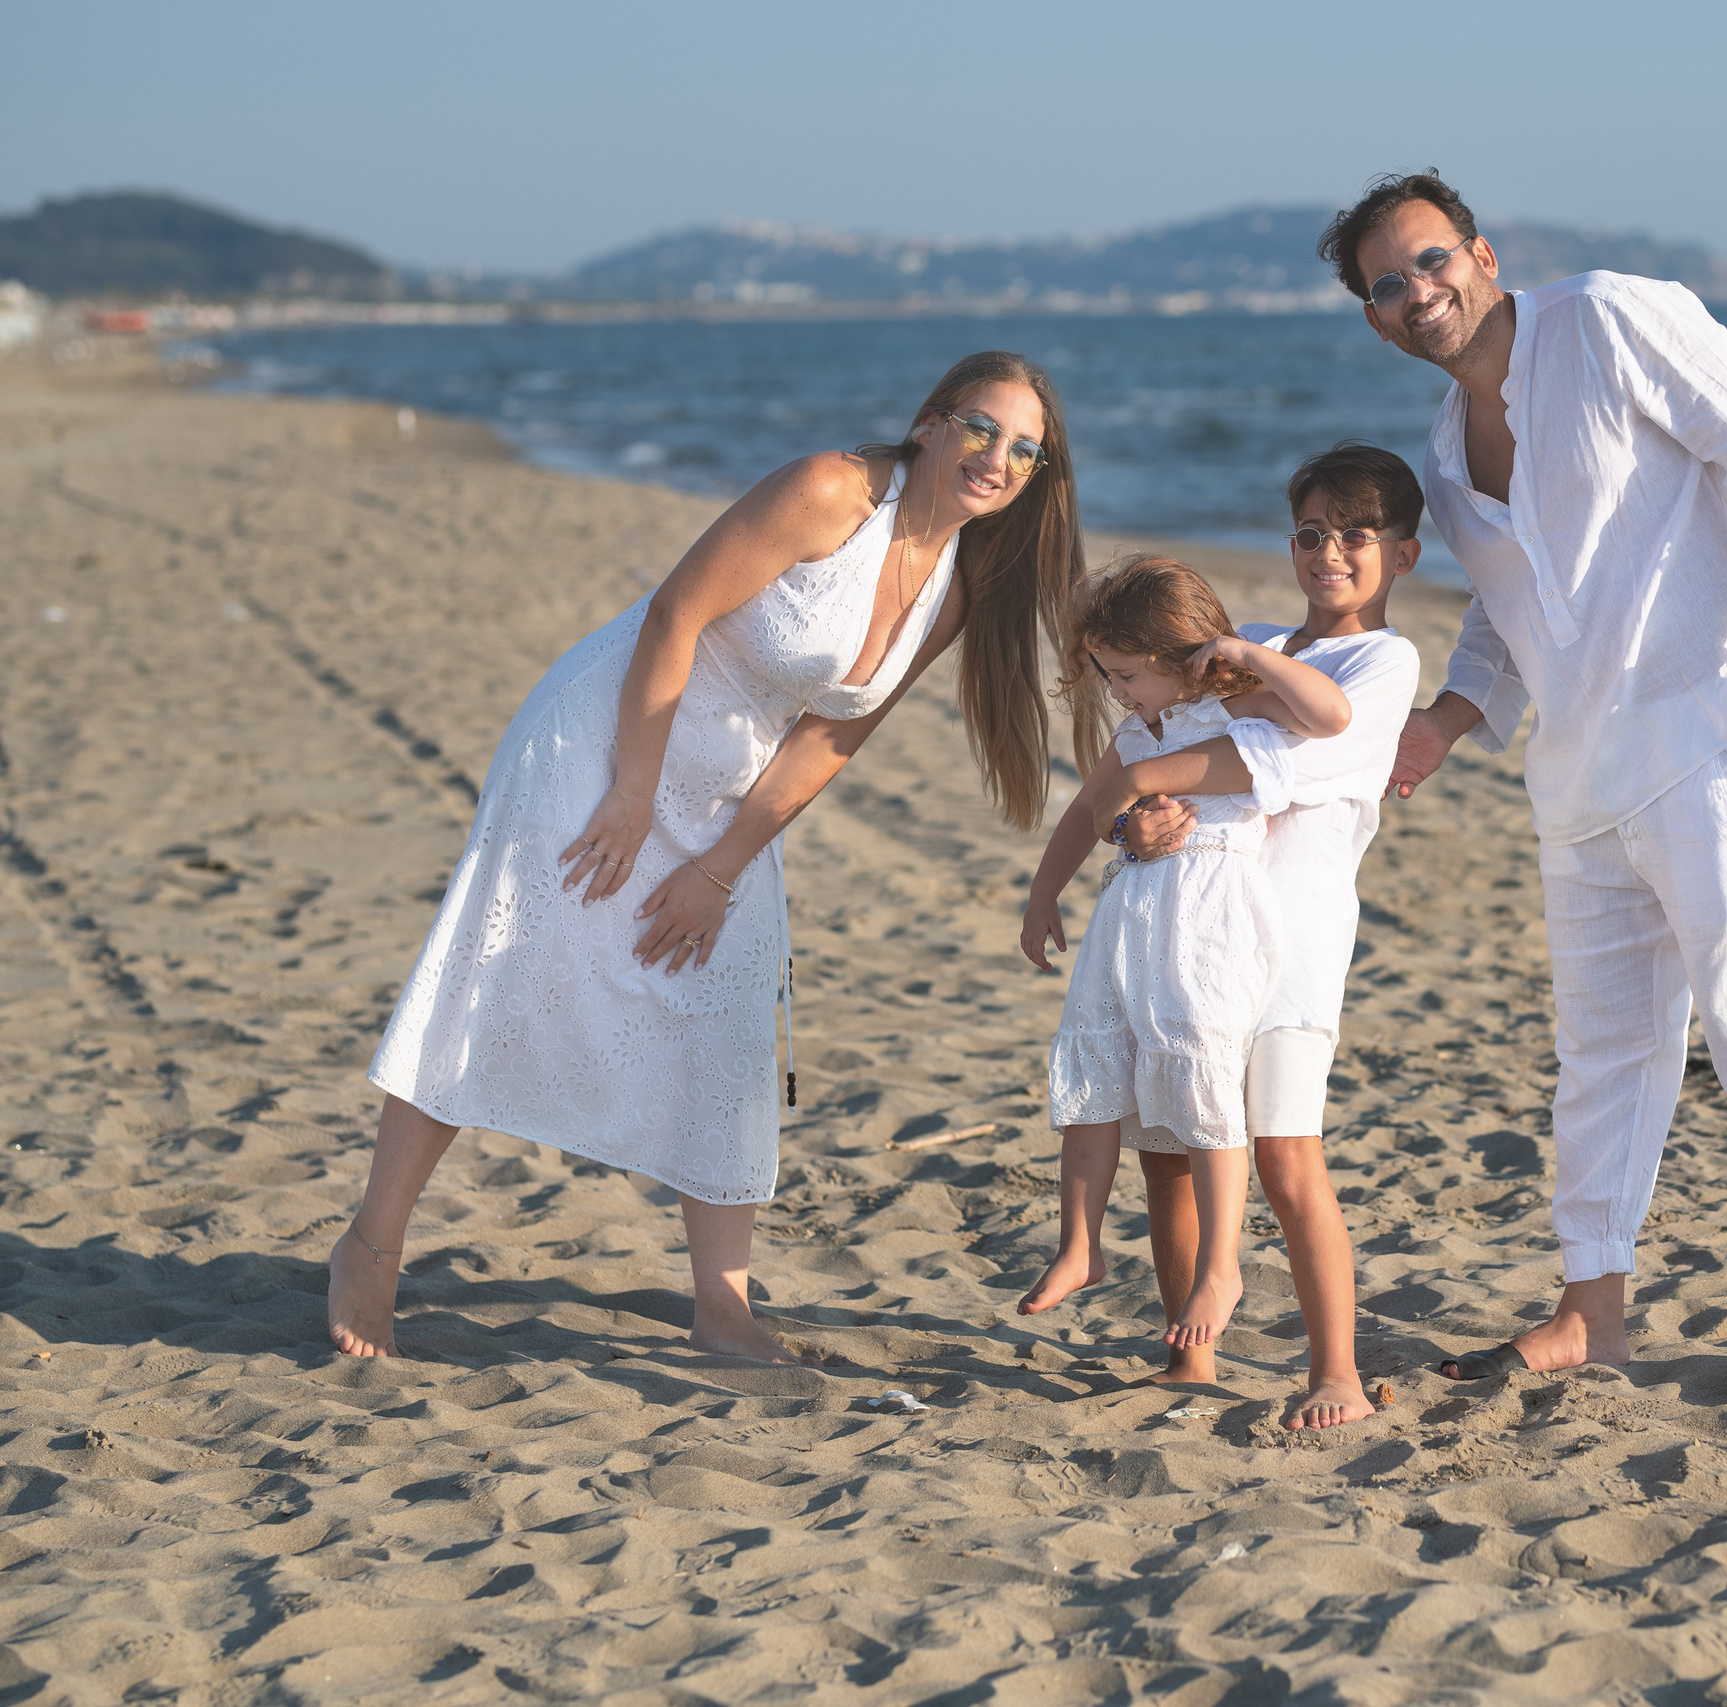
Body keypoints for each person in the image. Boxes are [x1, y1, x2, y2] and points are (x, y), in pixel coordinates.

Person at [331, 351, 1101, 1364]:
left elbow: (833, 734)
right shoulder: (830, 491)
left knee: (729, 1018)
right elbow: (675, 613)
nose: (995, 457)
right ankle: (372, 1245)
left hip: (725, 794)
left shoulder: (951, 591)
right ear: (928, 422)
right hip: (608, 746)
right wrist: (633, 798)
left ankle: (721, 1306)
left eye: (1023, 449)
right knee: (503, 972)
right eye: (979, 427)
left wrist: (722, 864)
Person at [1324, 171, 1727, 1406]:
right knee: (1603, 1055)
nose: (1418, 292)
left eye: (1428, 261)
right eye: (1388, 285)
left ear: (1482, 253)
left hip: (1717, 732)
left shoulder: (1614, 318)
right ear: (1373, 318)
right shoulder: (1442, 458)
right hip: (1575, 780)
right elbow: (1510, 613)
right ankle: (1590, 1313)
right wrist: (1449, 721)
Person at [1094, 443, 1423, 1431]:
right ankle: (1186, 1357)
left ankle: (1337, 1373)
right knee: (1174, 1147)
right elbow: (1159, 748)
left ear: (1401, 555)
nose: (1331, 553)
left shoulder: (1381, 661)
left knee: (1285, 1157)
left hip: (1296, 947)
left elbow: (1251, 767)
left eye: (1356, 537)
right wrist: (1125, 826)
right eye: (1313, 534)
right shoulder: (1260, 646)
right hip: (1196, 936)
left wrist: (1238, 681)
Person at [1017, 556, 1354, 1360]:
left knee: (1203, 1080)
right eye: (1108, 676)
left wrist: (1252, 654)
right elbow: (1082, 814)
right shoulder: (1138, 730)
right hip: (1131, 914)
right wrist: (1042, 893)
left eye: (1129, 674)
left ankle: (1221, 1266)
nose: (1120, 692)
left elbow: (1332, 714)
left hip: (1212, 919)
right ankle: (1080, 1244)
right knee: (1094, 1068)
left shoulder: (1238, 704)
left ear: (1178, 655)